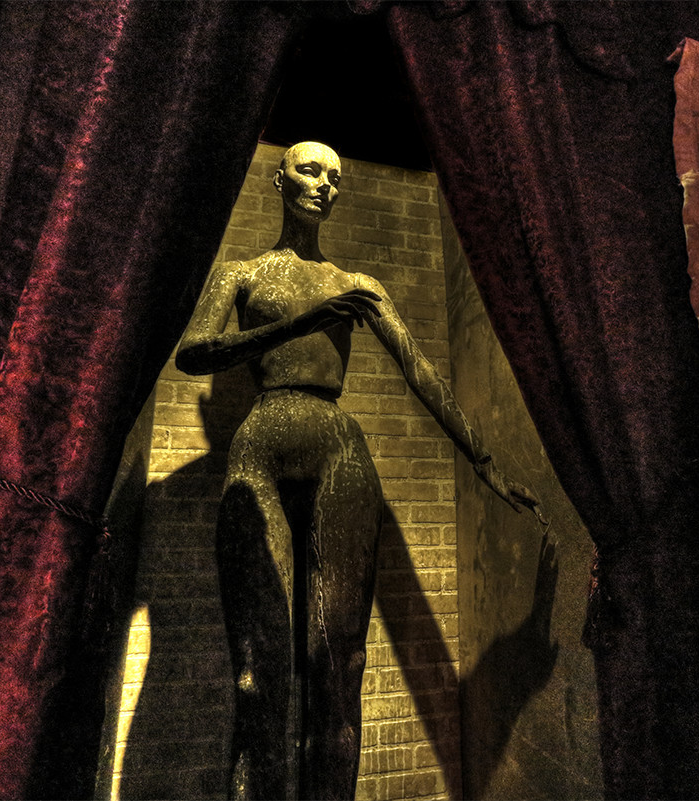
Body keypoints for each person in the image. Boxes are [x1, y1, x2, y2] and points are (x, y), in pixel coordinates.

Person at [176, 141, 540, 800]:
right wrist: (297, 326)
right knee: (258, 673)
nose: (325, 184)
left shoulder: (358, 286)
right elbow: (195, 353)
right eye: (310, 170)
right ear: (278, 180)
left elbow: (421, 373)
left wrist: (485, 463)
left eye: (335, 176)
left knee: (338, 663)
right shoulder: (241, 274)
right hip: (261, 442)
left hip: (337, 448)